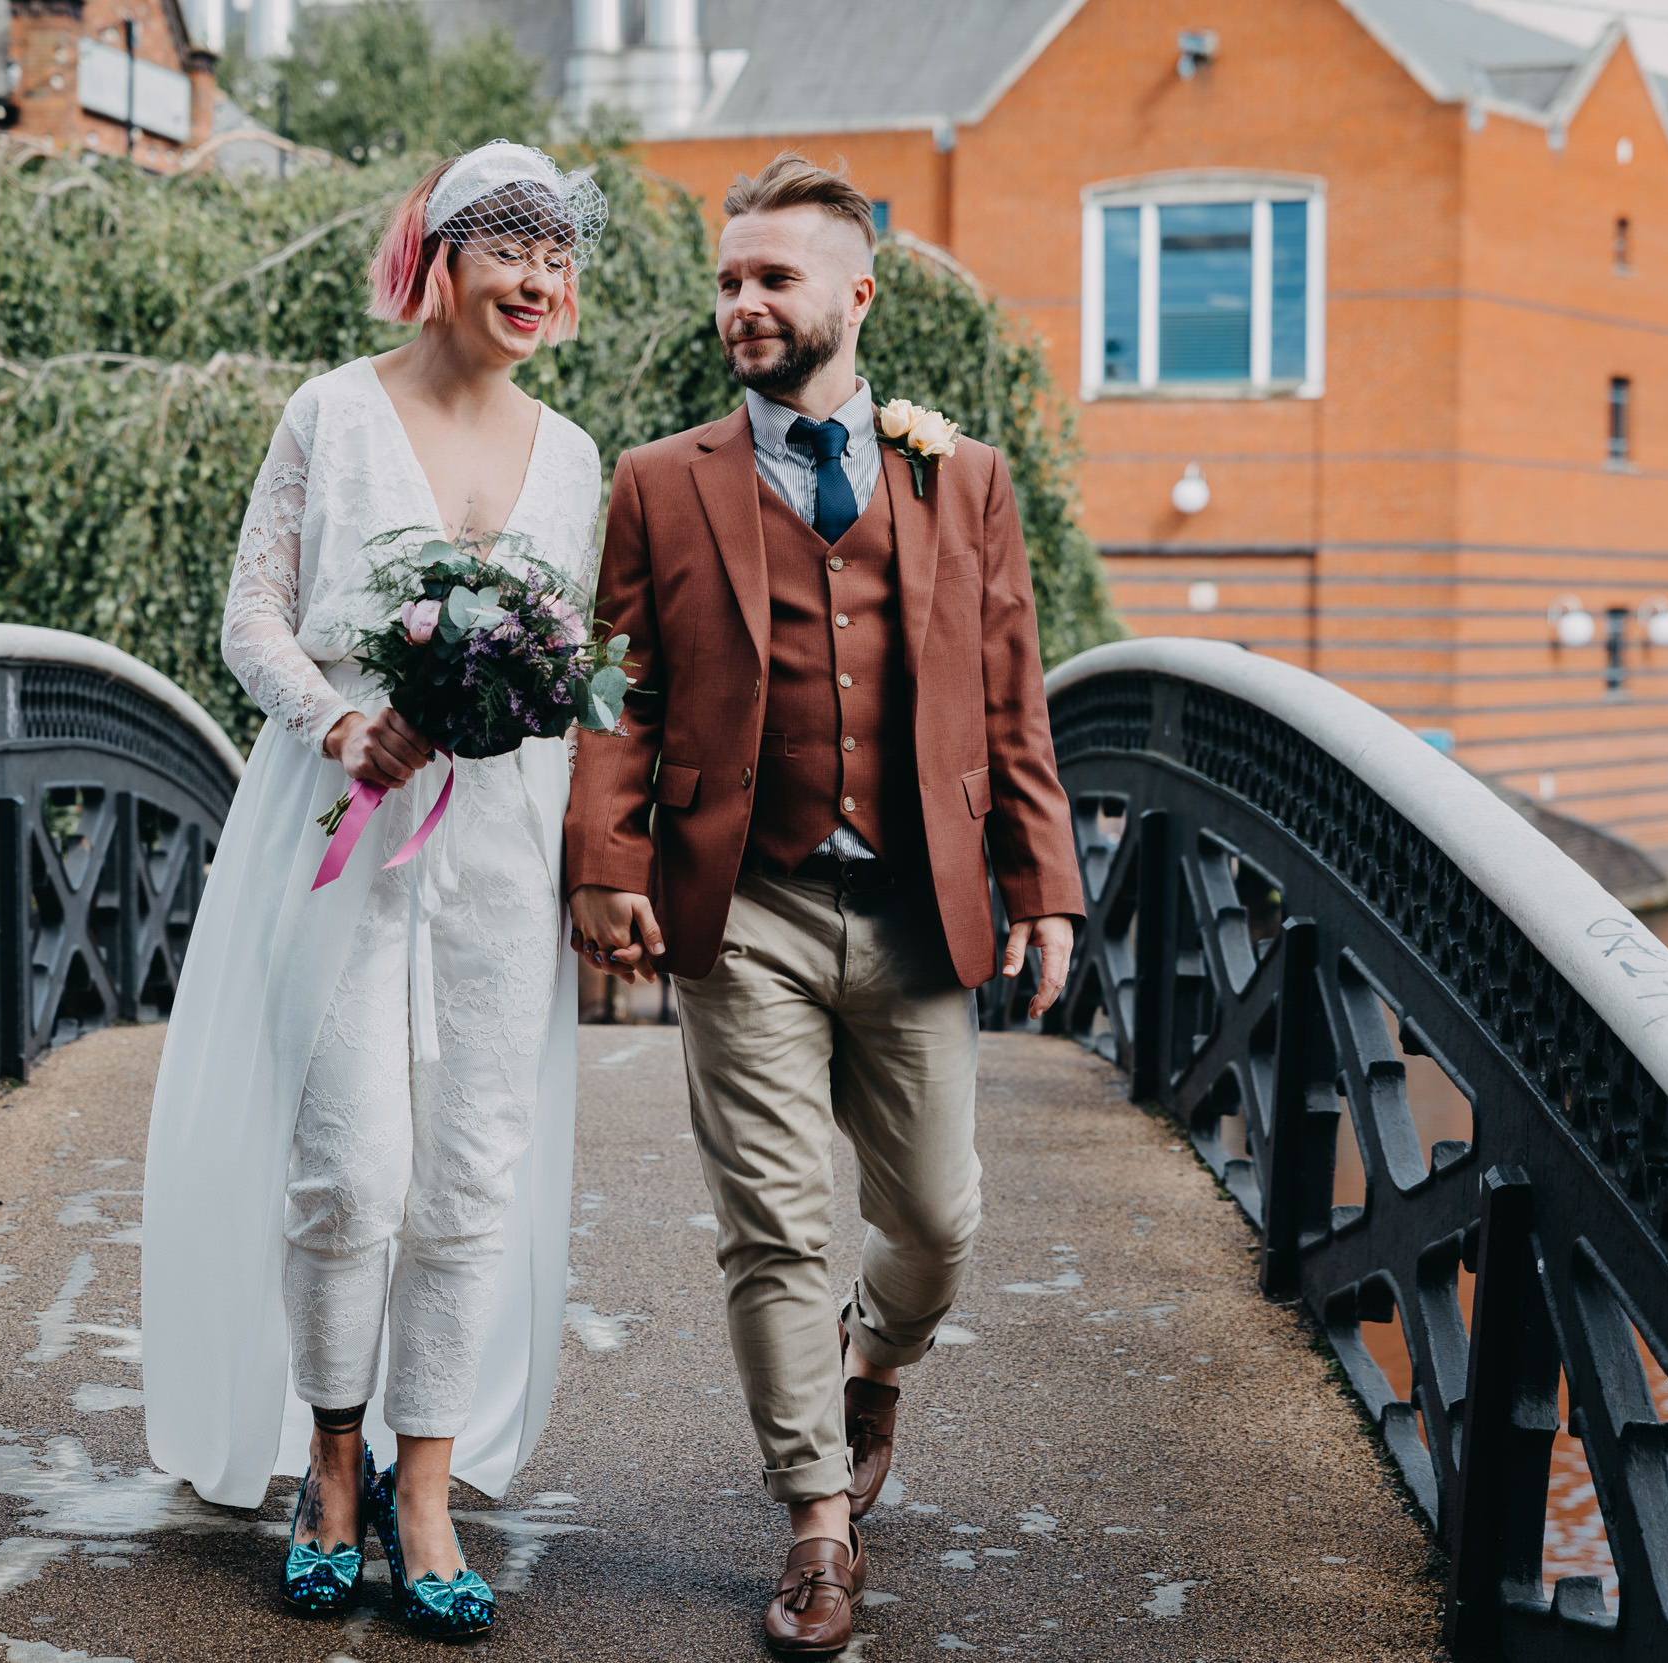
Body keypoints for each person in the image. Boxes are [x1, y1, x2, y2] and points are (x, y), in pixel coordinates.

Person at [563, 154, 1084, 1657]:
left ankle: (875, 1369)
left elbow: (1011, 694)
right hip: (748, 902)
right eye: (728, 280)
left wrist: (1044, 884)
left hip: (921, 902)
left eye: (773, 279)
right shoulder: (663, 481)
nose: (742, 303)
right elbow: (619, 689)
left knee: (933, 1220)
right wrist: (604, 864)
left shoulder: (961, 475)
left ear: (857, 294)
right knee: (776, 1229)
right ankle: (813, 1526)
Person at [141, 141, 607, 1642]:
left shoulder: (576, 456)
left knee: (473, 1166)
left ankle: (428, 1488)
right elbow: (251, 612)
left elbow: (577, 659)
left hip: (499, 841)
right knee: (354, 1168)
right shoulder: (330, 415)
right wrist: (342, 718)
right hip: (343, 814)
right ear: (441, 256)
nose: (537, 281)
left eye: (558, 256)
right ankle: (328, 1471)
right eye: (509, 248)